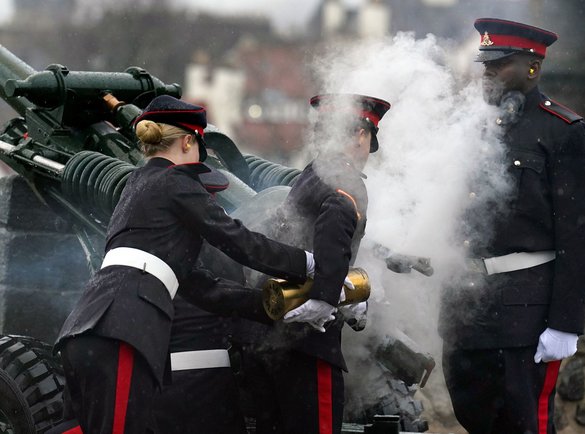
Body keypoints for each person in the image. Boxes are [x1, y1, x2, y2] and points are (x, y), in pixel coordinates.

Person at [52, 95, 322, 434]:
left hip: (87, 330)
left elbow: (202, 288)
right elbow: (239, 242)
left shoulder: (137, 186)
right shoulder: (177, 182)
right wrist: (309, 264)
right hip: (126, 330)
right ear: (188, 141)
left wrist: (273, 305)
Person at [438, 18, 585, 434]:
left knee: (524, 425)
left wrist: (565, 323)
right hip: (467, 313)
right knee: (474, 420)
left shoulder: (564, 133)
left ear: (532, 66)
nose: (486, 73)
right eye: (484, 64)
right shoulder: (472, 128)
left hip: (524, 317)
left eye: (499, 64)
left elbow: (578, 239)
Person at [236, 93, 391, 434]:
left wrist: (344, 288)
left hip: (267, 333)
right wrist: (325, 295)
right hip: (306, 343)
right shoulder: (345, 181)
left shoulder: (312, 174)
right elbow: (333, 229)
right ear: (362, 136)